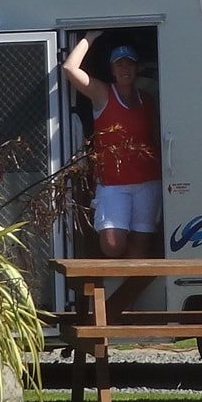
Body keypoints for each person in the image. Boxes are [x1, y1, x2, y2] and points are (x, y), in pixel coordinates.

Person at [62, 30, 161, 258]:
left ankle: (129, 293)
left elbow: (155, 135)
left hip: (148, 180)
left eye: (129, 64)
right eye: (119, 65)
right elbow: (70, 69)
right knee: (113, 244)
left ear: (137, 68)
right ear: (112, 69)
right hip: (113, 183)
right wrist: (89, 37)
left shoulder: (146, 99)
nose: (125, 69)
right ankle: (116, 289)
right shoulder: (103, 93)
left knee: (141, 247)